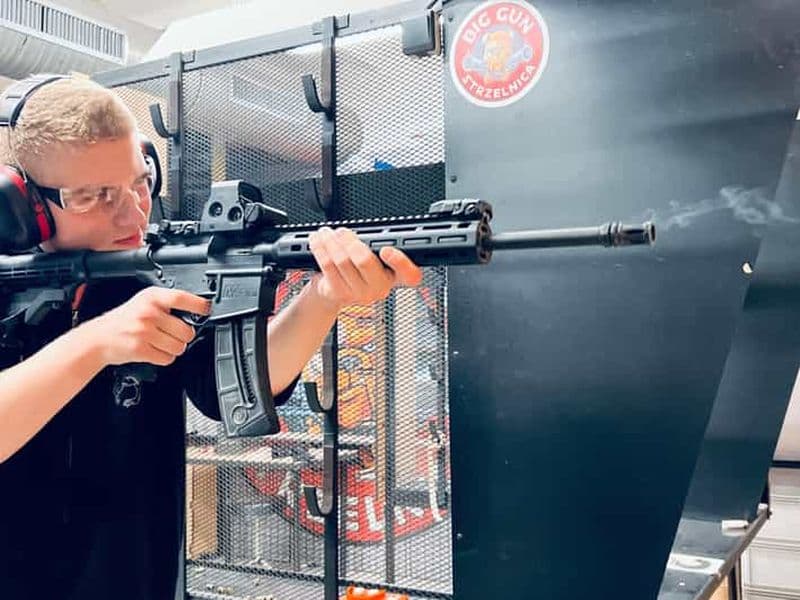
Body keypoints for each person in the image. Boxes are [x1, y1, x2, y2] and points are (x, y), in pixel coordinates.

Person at [0, 76, 422, 600]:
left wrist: (324, 297)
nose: (133, 214)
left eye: (139, 183)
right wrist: (94, 345)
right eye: (94, 196)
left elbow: (233, 390)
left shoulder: (153, 276)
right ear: (24, 205)